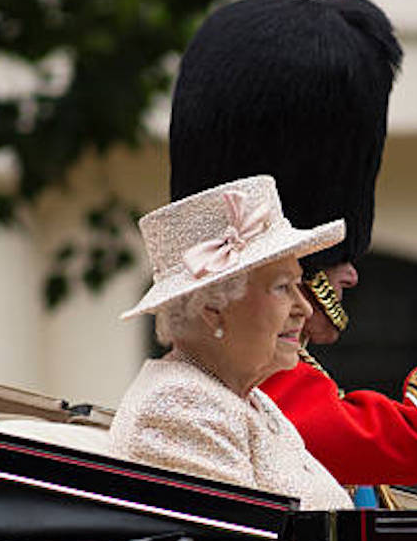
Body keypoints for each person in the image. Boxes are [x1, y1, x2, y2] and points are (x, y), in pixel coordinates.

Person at [170, 0, 417, 489]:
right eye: (336, 257)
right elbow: (405, 441)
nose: (351, 272)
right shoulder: (255, 380)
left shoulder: (262, 368)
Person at [109, 175, 353, 511]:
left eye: (299, 285)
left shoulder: (247, 399)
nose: (305, 308)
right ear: (213, 309)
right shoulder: (181, 406)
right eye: (283, 287)